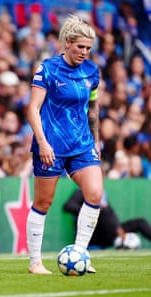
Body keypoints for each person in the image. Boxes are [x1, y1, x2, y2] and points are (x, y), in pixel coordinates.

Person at [25, 15, 103, 274]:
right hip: (51, 146)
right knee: (43, 203)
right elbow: (33, 109)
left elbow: (93, 108)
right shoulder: (47, 69)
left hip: (82, 144)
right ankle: (35, 262)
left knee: (95, 194)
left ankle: (80, 252)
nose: (85, 52)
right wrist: (42, 143)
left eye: (88, 48)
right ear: (68, 42)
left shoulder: (92, 72)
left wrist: (96, 139)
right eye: (80, 46)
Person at [64, 188, 151, 249]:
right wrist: (90, 210)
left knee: (140, 222)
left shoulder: (102, 192)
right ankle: (119, 234)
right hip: (93, 233)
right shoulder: (81, 192)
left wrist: (117, 227)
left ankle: (118, 233)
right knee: (102, 210)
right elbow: (67, 206)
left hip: (111, 230)